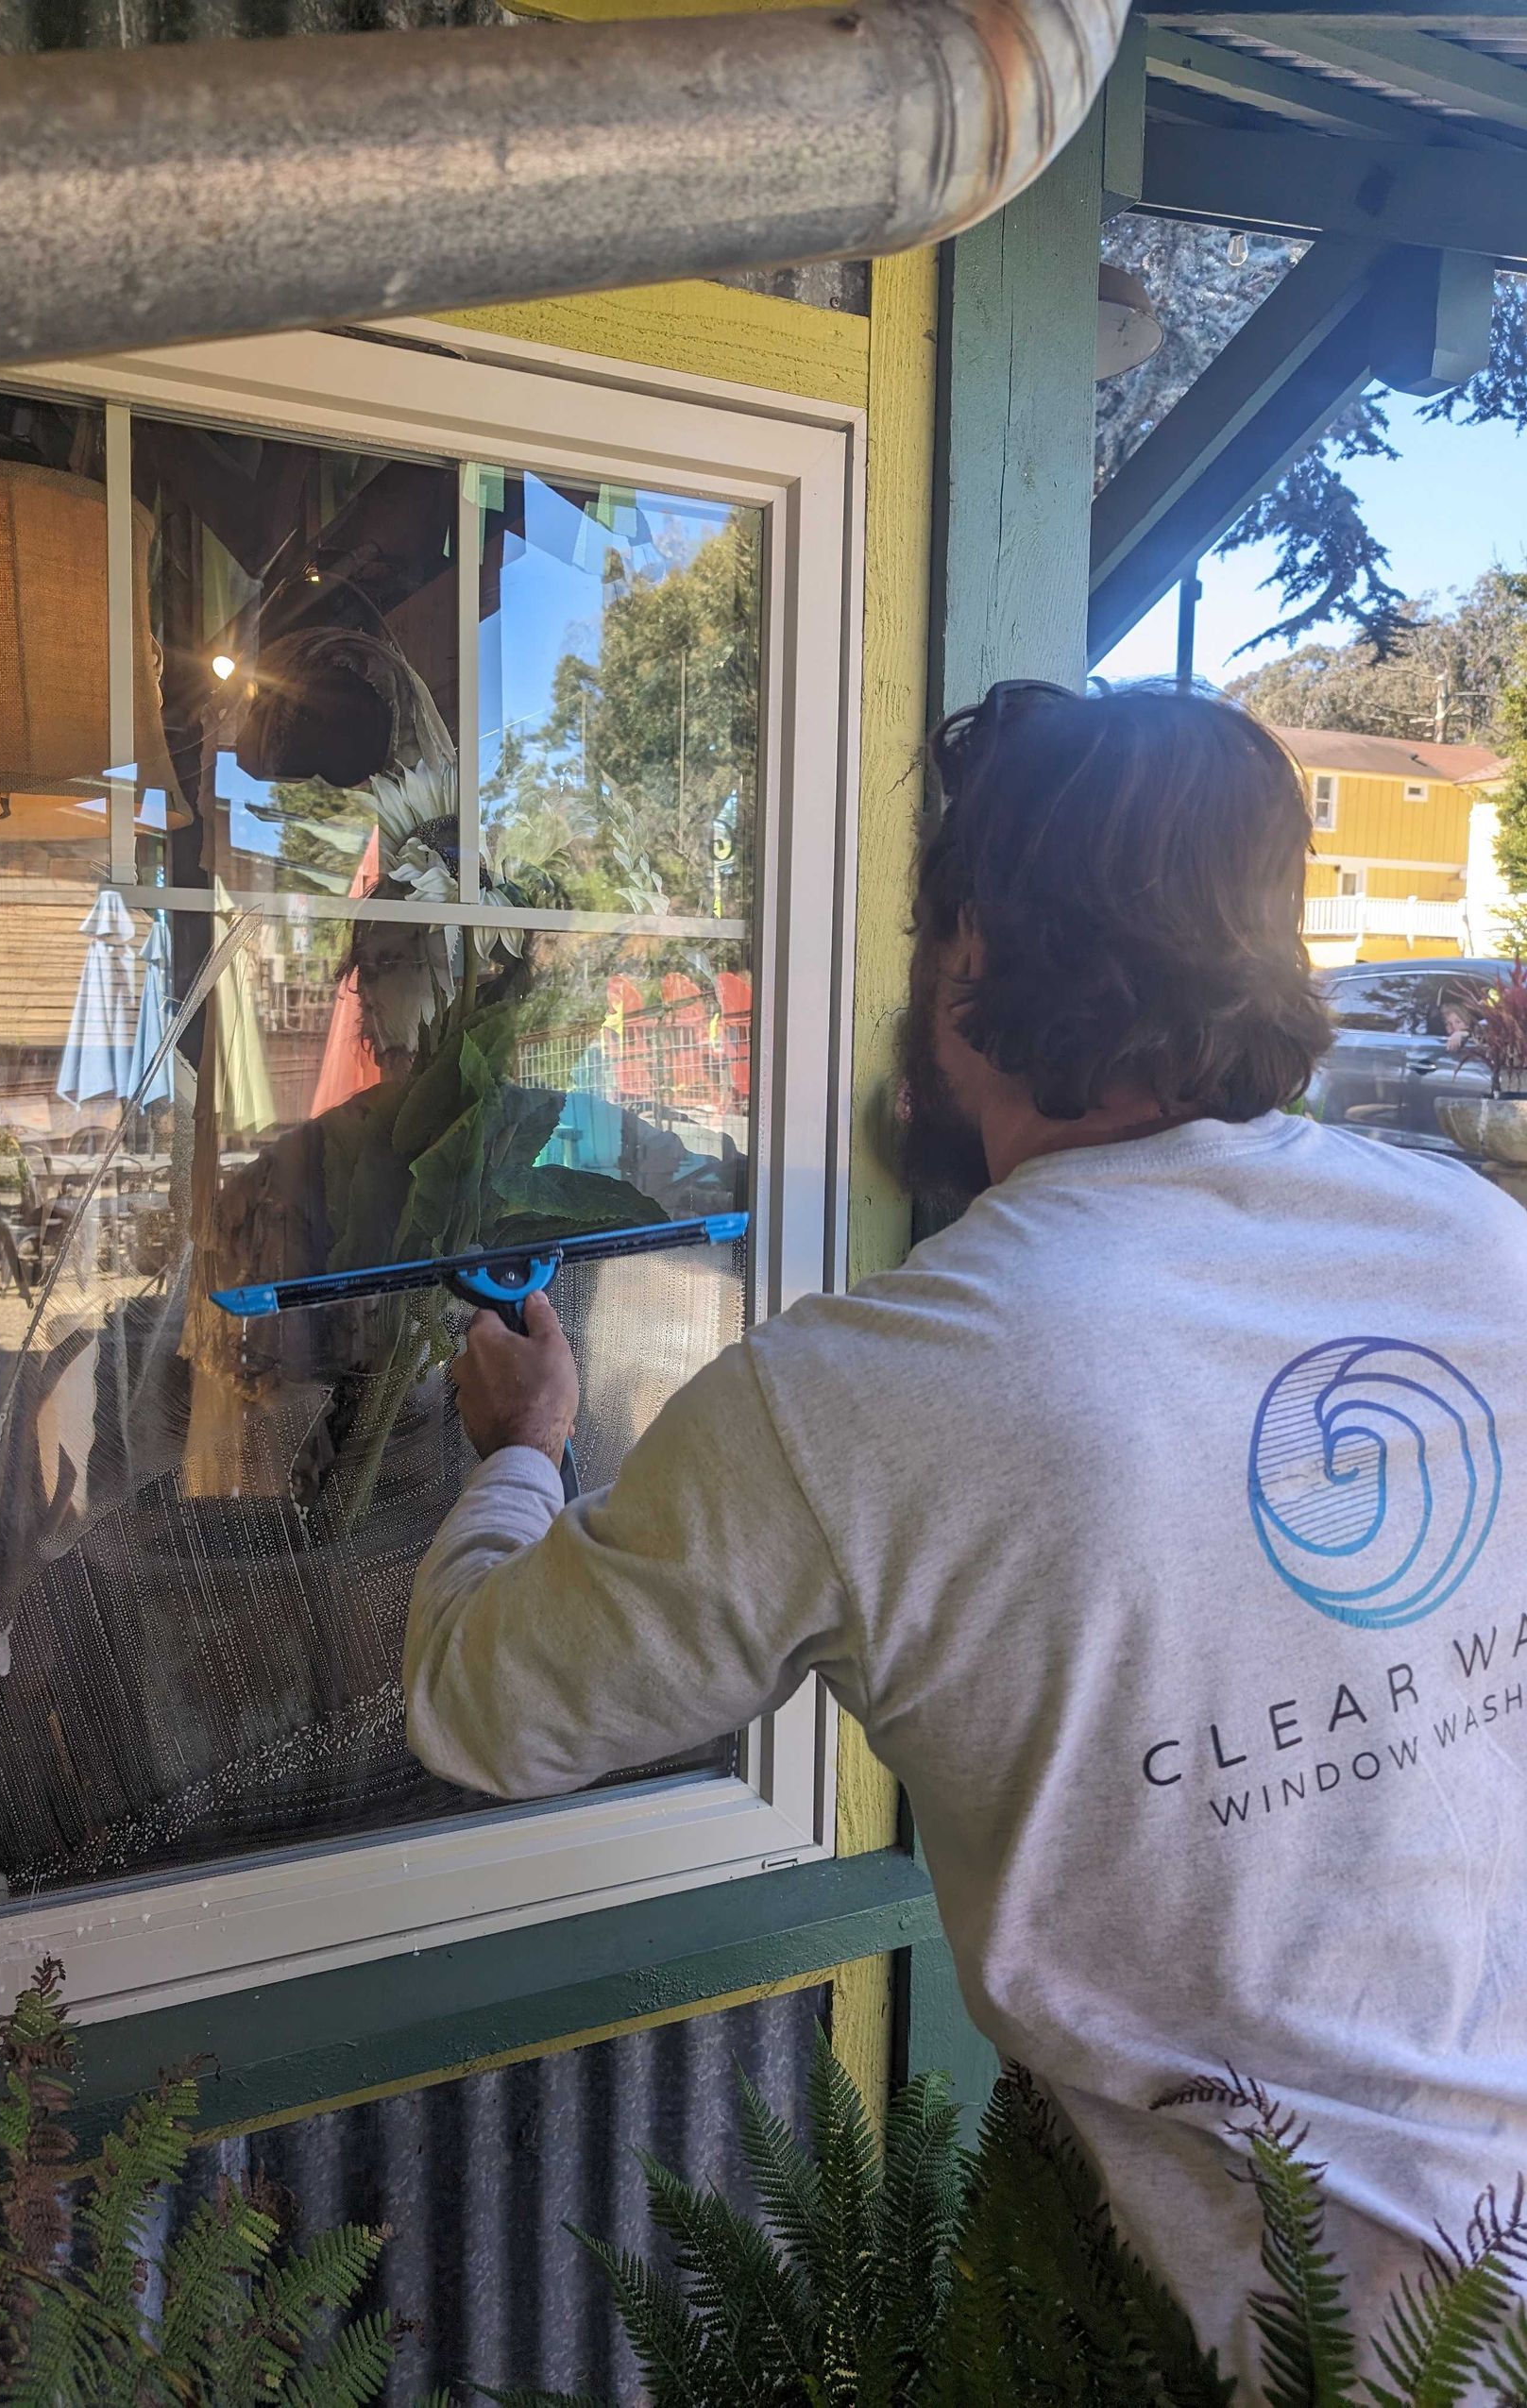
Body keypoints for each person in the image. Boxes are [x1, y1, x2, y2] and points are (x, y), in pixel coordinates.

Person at [402, 680, 1527, 2384]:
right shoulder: (1478, 1245)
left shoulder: (861, 1395)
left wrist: (521, 1452)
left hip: (1318, 2349)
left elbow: (485, 1702)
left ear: (972, 959)